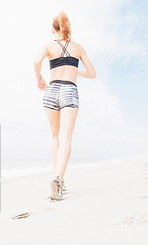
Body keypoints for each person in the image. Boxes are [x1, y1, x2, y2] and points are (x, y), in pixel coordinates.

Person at [33, 11, 96, 201]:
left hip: (51, 91)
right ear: (68, 28)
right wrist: (75, 71)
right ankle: (59, 178)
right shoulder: (78, 48)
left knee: (55, 136)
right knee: (66, 137)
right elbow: (92, 73)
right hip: (69, 90)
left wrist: (39, 78)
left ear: (54, 29)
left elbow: (36, 60)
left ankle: (59, 178)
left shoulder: (49, 45)